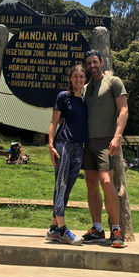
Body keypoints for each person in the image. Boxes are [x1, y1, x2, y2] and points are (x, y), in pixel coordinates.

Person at [80, 49, 129, 248]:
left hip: (105, 141)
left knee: (106, 181)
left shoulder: (114, 82)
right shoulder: (85, 88)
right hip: (86, 141)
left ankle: (116, 229)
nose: (92, 66)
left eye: (95, 62)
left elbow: (124, 109)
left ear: (101, 61)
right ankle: (97, 228)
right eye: (88, 63)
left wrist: (117, 137)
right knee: (91, 182)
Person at [45, 65, 89, 246]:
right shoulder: (63, 96)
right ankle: (63, 231)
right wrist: (50, 145)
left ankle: (53, 229)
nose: (78, 79)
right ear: (70, 78)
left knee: (67, 188)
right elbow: (53, 122)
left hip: (80, 147)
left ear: (85, 79)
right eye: (75, 76)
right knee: (60, 185)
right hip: (63, 143)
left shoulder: (86, 101)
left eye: (81, 77)